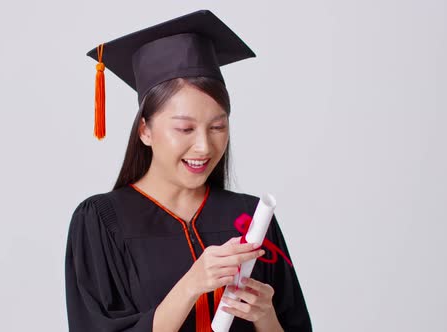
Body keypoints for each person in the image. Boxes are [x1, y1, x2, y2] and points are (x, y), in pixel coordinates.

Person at [65, 10, 312, 332]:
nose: (204, 147)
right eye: (184, 128)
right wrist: (190, 286)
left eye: (217, 127)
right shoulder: (101, 219)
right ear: (145, 131)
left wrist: (265, 315)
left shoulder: (250, 217)